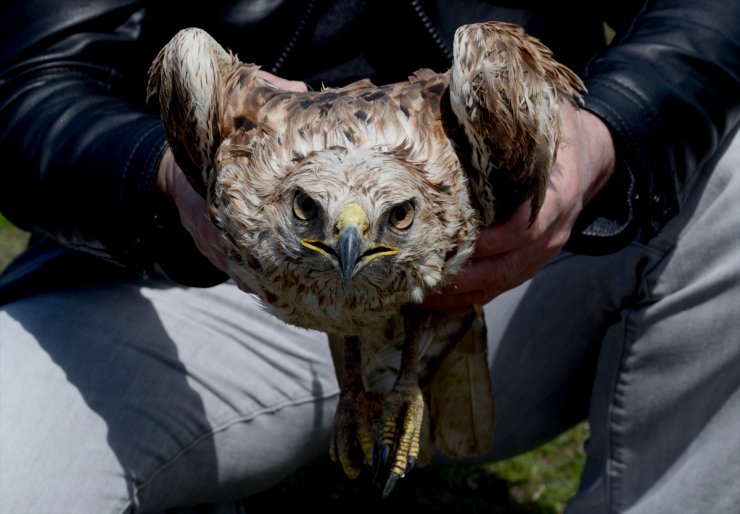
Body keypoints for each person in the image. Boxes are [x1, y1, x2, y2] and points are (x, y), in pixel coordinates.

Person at [1, 1, 738, 512]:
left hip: (512, 263)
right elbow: (27, 88)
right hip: (198, 280)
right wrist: (166, 178)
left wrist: (606, 136)